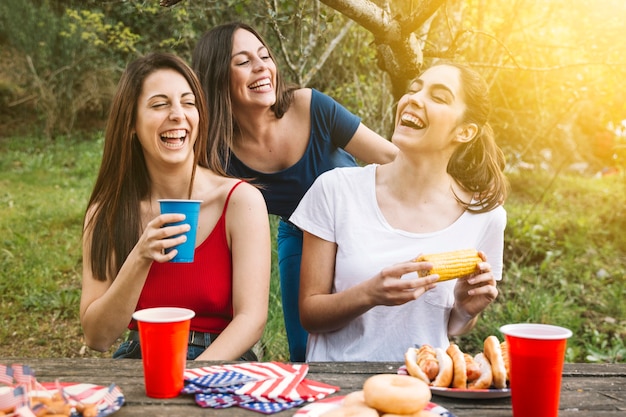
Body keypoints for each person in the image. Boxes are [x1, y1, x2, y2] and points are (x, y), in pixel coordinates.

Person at [192, 22, 398, 362]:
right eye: (243, 61)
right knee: (305, 352)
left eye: (265, 56)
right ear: (217, 78)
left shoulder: (309, 106)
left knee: (372, 339)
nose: (262, 67)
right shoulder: (217, 152)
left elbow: (391, 158)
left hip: (364, 231)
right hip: (300, 235)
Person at [290, 62, 509, 362]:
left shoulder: (486, 217)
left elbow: (455, 327)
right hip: (337, 385)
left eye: (439, 97)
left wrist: (465, 309)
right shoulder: (336, 189)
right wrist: (370, 294)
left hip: (428, 385)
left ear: (465, 131)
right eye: (414, 89)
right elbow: (310, 314)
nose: (414, 99)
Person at [80, 52, 271, 361]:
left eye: (188, 102)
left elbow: (251, 319)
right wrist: (140, 257)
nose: (178, 115)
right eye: (159, 104)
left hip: (220, 361)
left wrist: (189, 377)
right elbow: (97, 337)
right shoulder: (108, 213)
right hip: (140, 358)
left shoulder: (240, 201)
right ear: (131, 123)